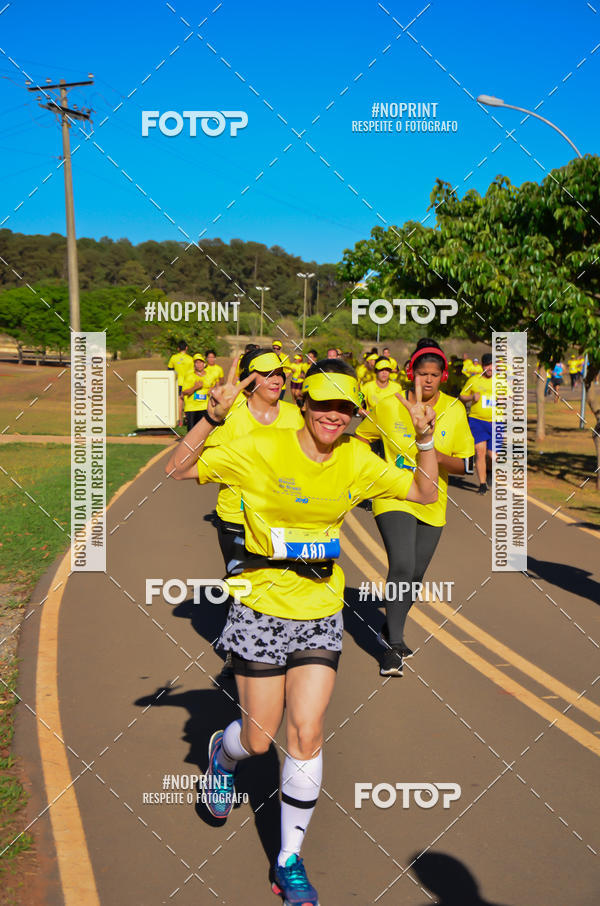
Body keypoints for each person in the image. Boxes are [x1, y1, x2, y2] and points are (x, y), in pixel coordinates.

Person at [166, 357, 438, 905]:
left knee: (306, 731)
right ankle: (223, 756)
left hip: (319, 609)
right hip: (262, 607)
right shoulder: (263, 447)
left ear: (355, 415)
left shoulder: (357, 458)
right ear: (304, 403)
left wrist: (425, 438)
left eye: (345, 408)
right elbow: (178, 469)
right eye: (324, 404)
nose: (334, 416)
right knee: (258, 738)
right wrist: (210, 419)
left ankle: (288, 860)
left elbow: (425, 493)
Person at [356, 339, 474, 674]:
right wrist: (371, 473)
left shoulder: (453, 409)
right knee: (403, 565)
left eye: (435, 375)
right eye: (422, 373)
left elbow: (466, 465)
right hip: (394, 494)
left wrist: (430, 453)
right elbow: (362, 438)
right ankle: (393, 646)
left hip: (433, 500)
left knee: (415, 575)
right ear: (411, 373)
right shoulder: (389, 404)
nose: (428, 380)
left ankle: (387, 628)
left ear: (443, 376)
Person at [460, 352, 498, 493]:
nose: (490, 368)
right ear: (483, 366)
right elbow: (462, 396)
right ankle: (482, 484)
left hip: (496, 422)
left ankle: (489, 470)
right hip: (477, 420)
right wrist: (471, 397)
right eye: (487, 365)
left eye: (492, 365)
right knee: (480, 452)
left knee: (492, 456)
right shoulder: (474, 380)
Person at [167, 340, 194, 427]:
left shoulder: (173, 358)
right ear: (187, 348)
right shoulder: (190, 359)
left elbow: (169, 371)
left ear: (178, 348)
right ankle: (188, 418)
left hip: (177, 383)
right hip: (188, 383)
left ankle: (180, 421)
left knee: (179, 402)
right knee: (188, 402)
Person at [180, 354, 210, 431]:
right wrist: (195, 387)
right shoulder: (189, 376)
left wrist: (212, 391)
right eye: (196, 363)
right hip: (191, 408)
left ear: (204, 364)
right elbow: (184, 392)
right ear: (194, 365)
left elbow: (214, 388)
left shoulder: (209, 376)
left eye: (200, 362)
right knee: (191, 432)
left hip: (204, 407)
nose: (199, 365)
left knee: (203, 431)